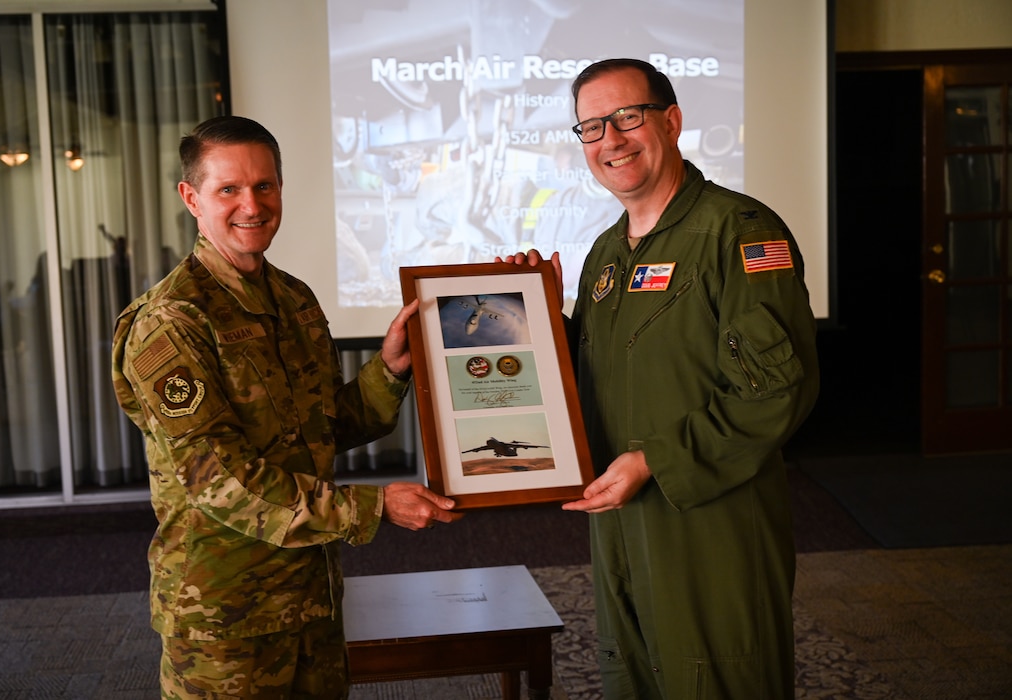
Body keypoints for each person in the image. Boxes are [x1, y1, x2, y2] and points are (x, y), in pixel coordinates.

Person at [111, 115, 460, 699]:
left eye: (265, 186)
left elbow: (324, 428)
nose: (252, 204)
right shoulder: (173, 322)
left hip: (310, 600)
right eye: (229, 189)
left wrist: (391, 368)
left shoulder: (294, 298)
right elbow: (224, 483)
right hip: (225, 619)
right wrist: (371, 507)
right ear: (191, 198)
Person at [505, 59, 820, 698]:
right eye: (591, 128)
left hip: (709, 513)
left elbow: (779, 390)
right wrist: (528, 311)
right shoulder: (607, 252)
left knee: (719, 677)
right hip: (622, 514)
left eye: (628, 118)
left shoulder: (738, 232)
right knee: (635, 672)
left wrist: (655, 460)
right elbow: (603, 366)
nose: (611, 141)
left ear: (671, 122)